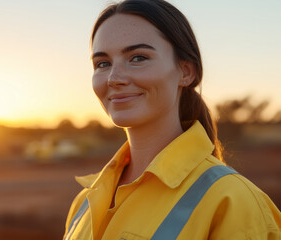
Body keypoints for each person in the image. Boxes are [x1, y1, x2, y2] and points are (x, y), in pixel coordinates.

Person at [63, 0, 281, 239]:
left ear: (186, 72)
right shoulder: (83, 202)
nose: (114, 78)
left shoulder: (234, 201)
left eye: (138, 58)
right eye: (102, 63)